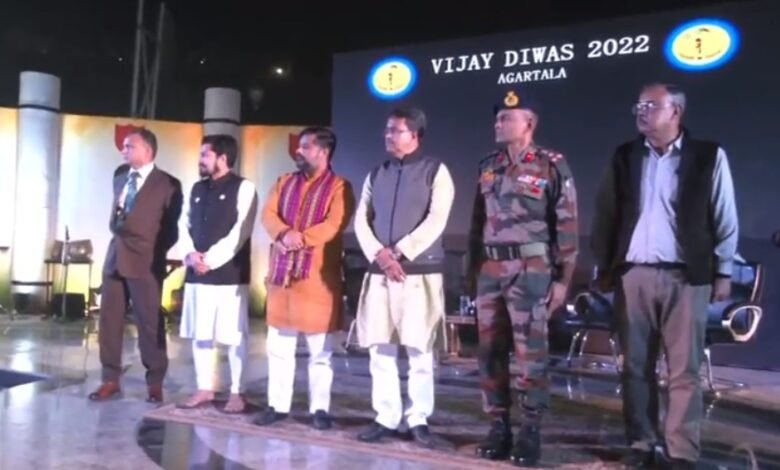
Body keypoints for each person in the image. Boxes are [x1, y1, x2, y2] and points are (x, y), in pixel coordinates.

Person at [591, 83, 738, 470]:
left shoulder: (707, 156)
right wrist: (605, 267)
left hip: (686, 279)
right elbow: (606, 215)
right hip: (634, 276)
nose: (641, 112)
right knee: (635, 368)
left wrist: (723, 270)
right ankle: (641, 443)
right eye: (638, 105)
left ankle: (681, 451)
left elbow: (724, 215)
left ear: (676, 111)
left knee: (683, 371)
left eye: (651, 105)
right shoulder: (625, 156)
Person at [467, 89, 578, 466]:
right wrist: (473, 271)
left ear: (528, 123)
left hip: (531, 270)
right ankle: (498, 426)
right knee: (490, 352)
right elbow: (477, 223)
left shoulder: (550, 165)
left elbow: (566, 224)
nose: (498, 123)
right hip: (490, 270)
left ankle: (530, 430)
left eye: (507, 118)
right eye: (497, 117)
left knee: (531, 354)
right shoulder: (488, 165)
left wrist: (562, 280)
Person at [353, 106, 455, 449]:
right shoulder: (376, 173)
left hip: (419, 273)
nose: (389, 135)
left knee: (419, 350)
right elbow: (361, 219)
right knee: (380, 348)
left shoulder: (435, 171)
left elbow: (437, 219)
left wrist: (400, 252)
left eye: (396, 130)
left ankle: (418, 418)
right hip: (381, 272)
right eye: (387, 130)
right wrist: (380, 255)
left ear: (416, 135)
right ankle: (386, 417)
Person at [255, 126, 355, 430]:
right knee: (279, 348)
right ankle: (277, 405)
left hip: (317, 281)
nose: (298, 151)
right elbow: (268, 215)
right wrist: (284, 233)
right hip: (282, 279)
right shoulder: (284, 182)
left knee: (320, 352)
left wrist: (300, 239)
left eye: (306, 147)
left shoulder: (340, 187)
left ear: (324, 152)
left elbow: (334, 224)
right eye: (300, 146)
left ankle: (319, 409)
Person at [89, 128, 183, 403]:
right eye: (124, 146)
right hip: (115, 258)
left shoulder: (168, 184)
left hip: (145, 261)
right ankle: (110, 379)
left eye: (130, 146)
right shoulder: (120, 175)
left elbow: (171, 229)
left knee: (149, 323)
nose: (124, 151)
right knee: (109, 321)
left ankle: (155, 381)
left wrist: (153, 252)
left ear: (147, 150)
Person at [176, 134, 258, 413]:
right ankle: (205, 388)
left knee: (234, 336)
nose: (200, 160)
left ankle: (237, 392)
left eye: (205, 155)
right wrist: (190, 255)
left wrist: (210, 260)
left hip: (228, 276)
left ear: (222, 158)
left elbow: (241, 231)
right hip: (197, 274)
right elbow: (183, 224)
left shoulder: (244, 187)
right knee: (201, 334)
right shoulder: (197, 188)